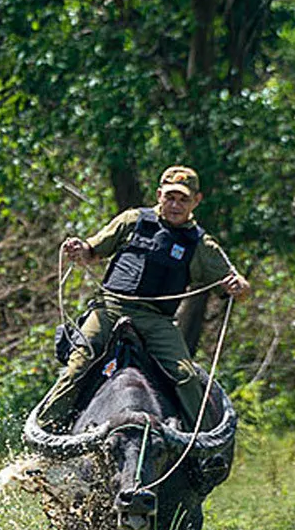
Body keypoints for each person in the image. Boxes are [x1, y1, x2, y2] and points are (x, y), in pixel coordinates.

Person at [36, 165, 251, 430]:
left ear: (196, 201)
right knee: (80, 362)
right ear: (159, 194)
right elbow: (92, 251)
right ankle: (45, 431)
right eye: (170, 197)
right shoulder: (132, 220)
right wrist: (79, 249)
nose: (175, 204)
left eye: (183, 199)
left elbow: (237, 286)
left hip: (157, 320)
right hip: (110, 309)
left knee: (185, 376)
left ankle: (200, 445)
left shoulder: (201, 245)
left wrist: (239, 286)